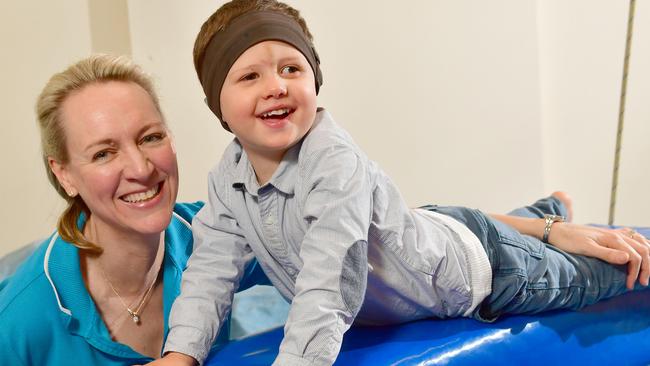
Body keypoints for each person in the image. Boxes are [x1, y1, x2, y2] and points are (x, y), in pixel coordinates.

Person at [153, 1, 650, 365]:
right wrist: (181, 354)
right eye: (249, 77)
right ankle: (544, 211)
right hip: (423, 227)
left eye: (291, 68)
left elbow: (330, 279)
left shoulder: (333, 163)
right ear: (218, 106)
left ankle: (554, 226)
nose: (276, 85)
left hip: (482, 271)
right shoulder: (229, 179)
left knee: (590, 276)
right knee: (461, 223)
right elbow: (210, 270)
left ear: (314, 80)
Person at [0, 54, 272, 365]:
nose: (140, 169)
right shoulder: (18, 324)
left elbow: (324, 253)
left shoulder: (214, 234)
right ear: (65, 175)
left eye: (151, 137)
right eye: (104, 153)